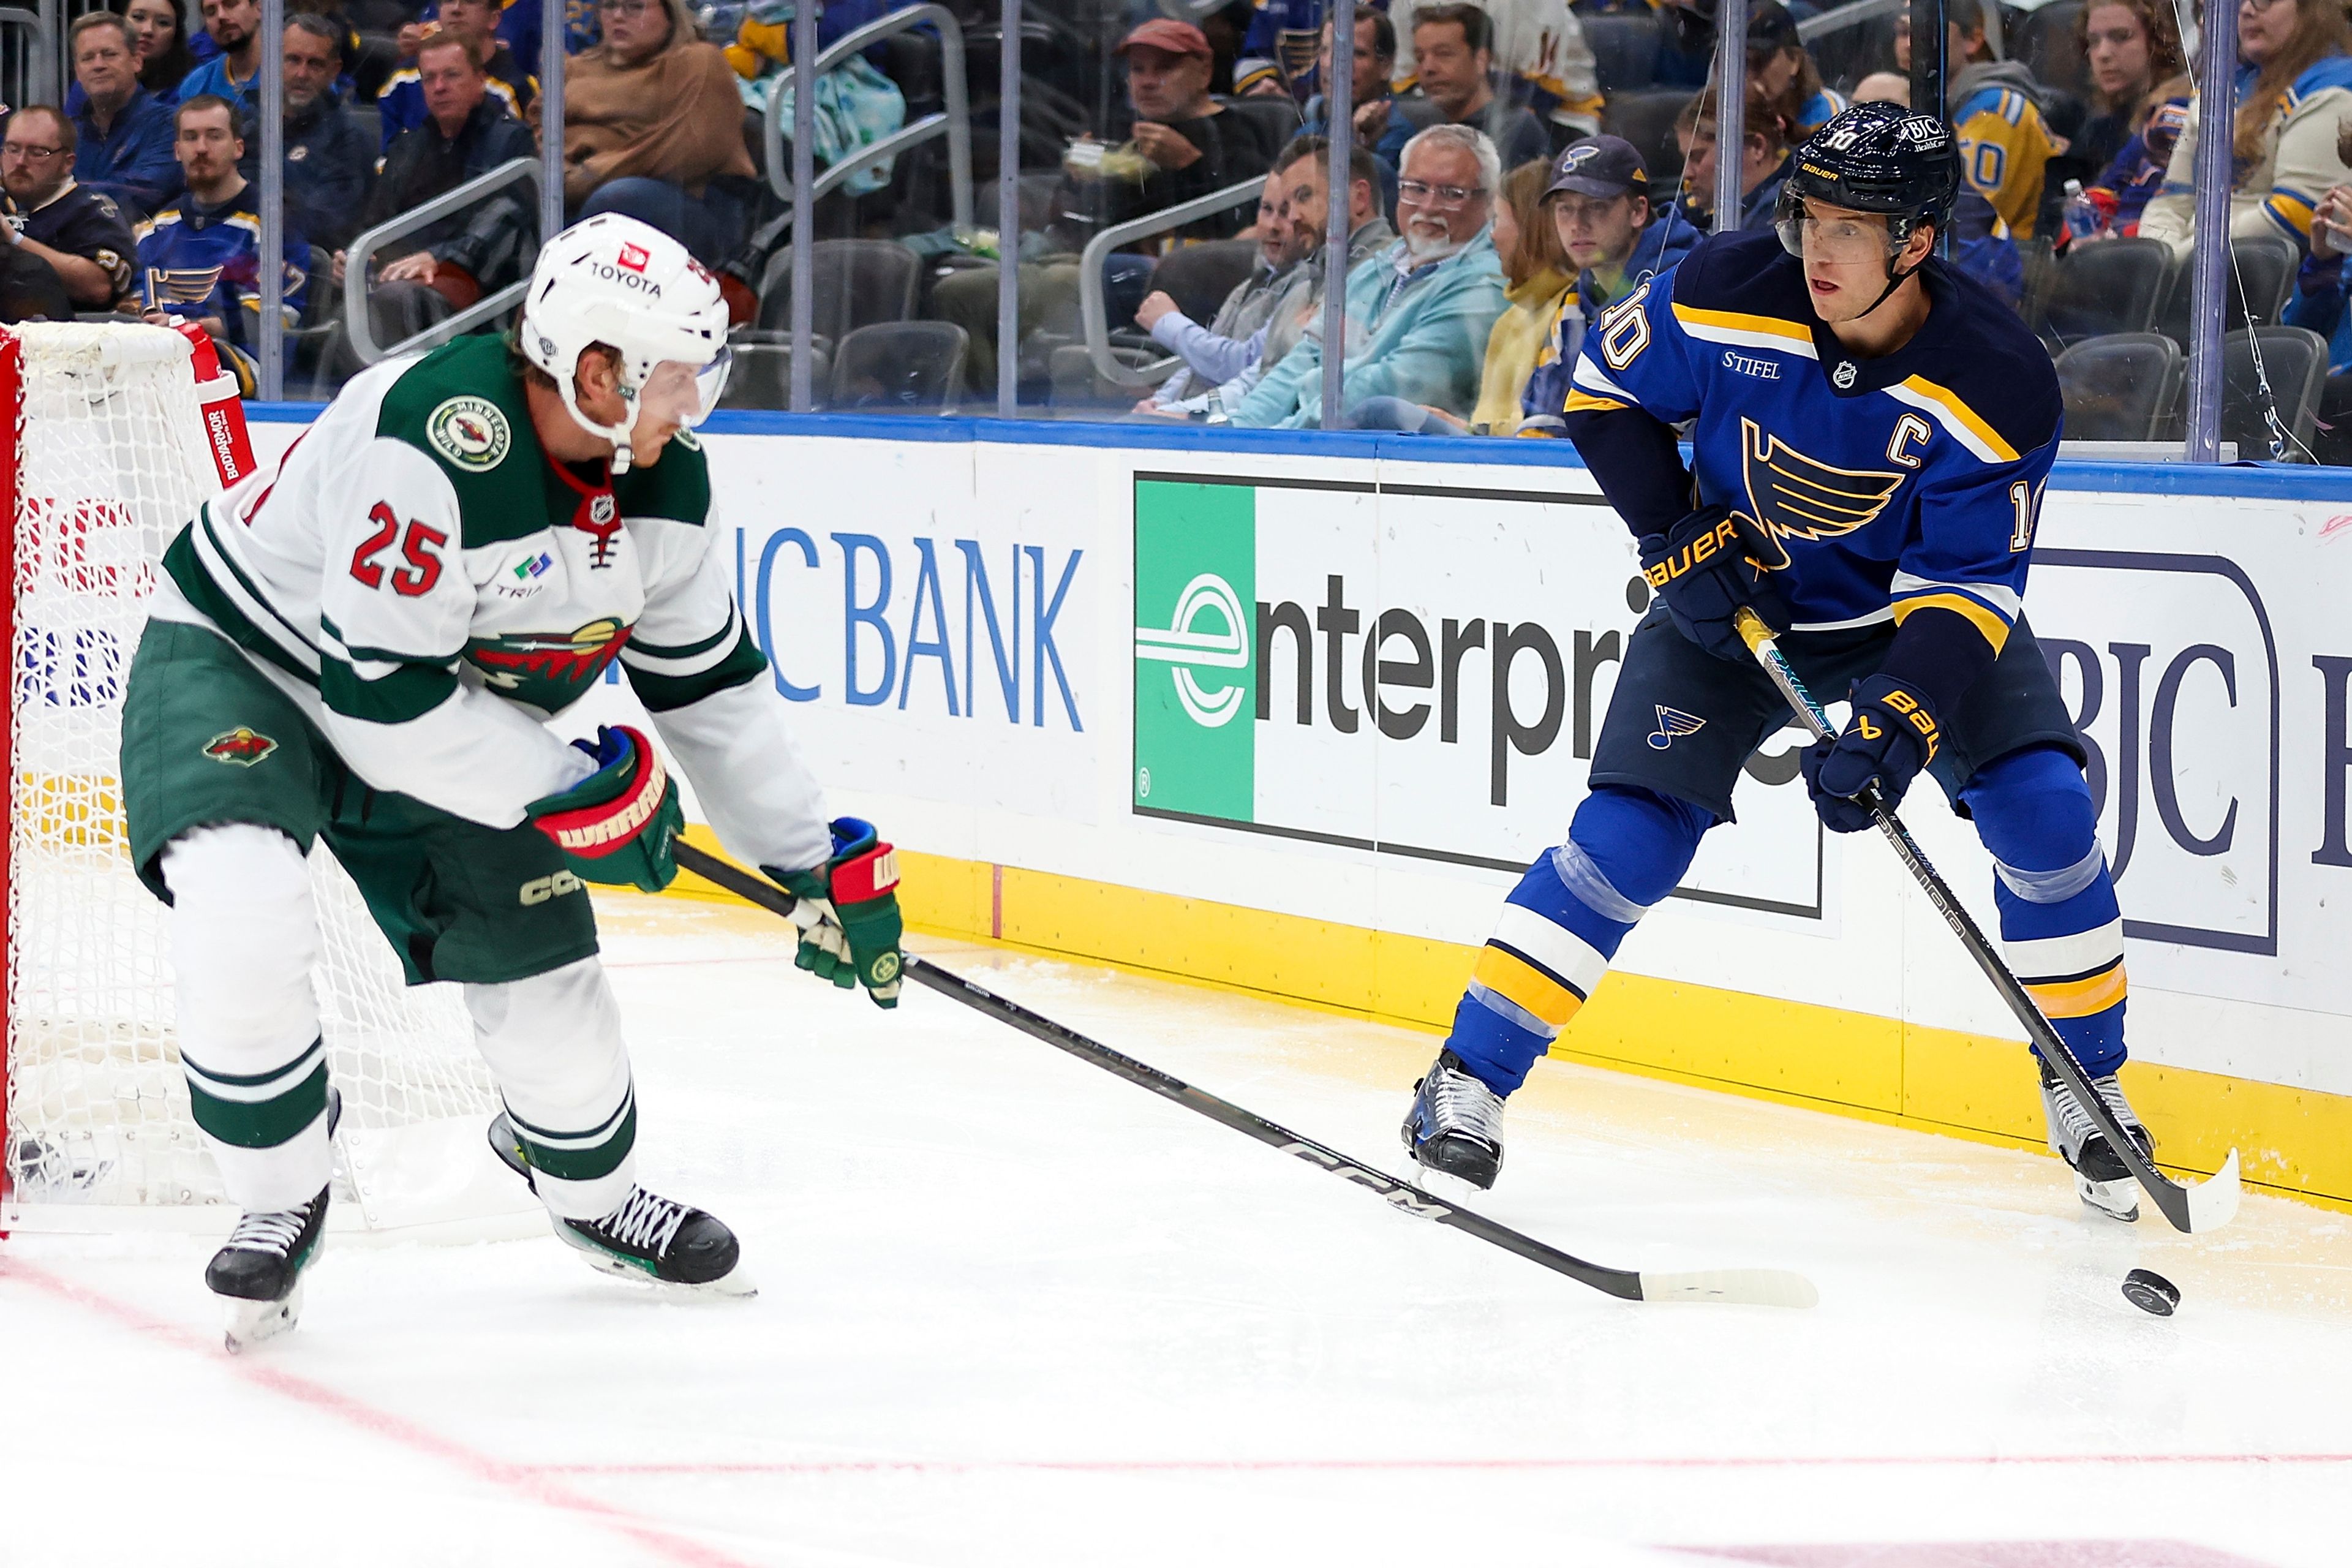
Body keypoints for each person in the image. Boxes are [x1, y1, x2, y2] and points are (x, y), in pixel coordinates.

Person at [116, 213, 903, 1342]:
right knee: (241, 910)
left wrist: (812, 857)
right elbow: (379, 700)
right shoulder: (433, 435)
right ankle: (280, 1189)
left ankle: (589, 1195)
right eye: (678, 376)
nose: (693, 405)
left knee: (559, 1021)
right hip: (248, 665)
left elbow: (706, 689)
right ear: (596, 370)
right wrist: (573, 792)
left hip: (453, 719)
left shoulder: (664, 483)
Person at [1402, 105, 2157, 1229]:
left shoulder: (1996, 377)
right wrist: (1673, 537)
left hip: (1904, 622)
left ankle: (2089, 1080)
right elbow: (1602, 404)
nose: (1817, 249)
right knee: (1626, 840)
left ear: (1917, 242)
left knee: (2044, 809)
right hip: (1733, 604)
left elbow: (1969, 588)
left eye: (1852, 228)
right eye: (1809, 215)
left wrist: (1898, 721)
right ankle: (1467, 1081)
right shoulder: (1722, 282)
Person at [929, 18, 1287, 399]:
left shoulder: (1237, 130)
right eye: (1138, 70)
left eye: (1165, 68)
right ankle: (995, 402)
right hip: (1092, 261)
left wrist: (1191, 163)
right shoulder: (1124, 130)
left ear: (1204, 71)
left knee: (1068, 279)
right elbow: (1082, 221)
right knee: (957, 290)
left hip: (1168, 274)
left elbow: (1252, 222)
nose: (1147, 81)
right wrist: (1081, 183)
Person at [1234, 123, 1507, 428]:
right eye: (1416, 189)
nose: (1429, 206)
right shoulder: (1378, 267)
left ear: (1488, 203)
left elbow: (1390, 388)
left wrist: (1280, 441)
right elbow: (1303, 360)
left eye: (1452, 194)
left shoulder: (1486, 285)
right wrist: (1239, 433)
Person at [320, 33, 537, 386]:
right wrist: (356, 257)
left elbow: (509, 217)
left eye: (451, 75)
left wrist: (439, 258)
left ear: (480, 80)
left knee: (388, 305)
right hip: (402, 284)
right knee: (333, 304)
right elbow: (376, 223)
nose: (439, 87)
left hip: (482, 296)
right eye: (429, 78)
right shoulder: (408, 148)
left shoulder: (511, 141)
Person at [1147, 132, 1397, 418]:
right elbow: (1254, 381)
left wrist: (1200, 420)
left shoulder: (1389, 276)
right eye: (1285, 205)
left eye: (1304, 197)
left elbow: (1313, 403)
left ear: (1359, 197)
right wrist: (1176, 412)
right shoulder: (1306, 288)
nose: (1291, 218)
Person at [1369, 153, 1572, 435]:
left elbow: (1543, 429)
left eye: (1498, 221)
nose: (1492, 236)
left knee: (1379, 413)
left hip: (1522, 468)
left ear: (1530, 229)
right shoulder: (1512, 318)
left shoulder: (1571, 312)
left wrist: (1469, 430)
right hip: (1487, 458)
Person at [1517, 135, 1699, 435]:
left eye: (1597, 207)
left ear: (1638, 211)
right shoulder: (1576, 303)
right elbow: (1543, 420)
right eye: (1565, 209)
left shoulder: (1685, 285)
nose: (1577, 224)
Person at [2140, 0, 2352, 255]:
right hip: (2196, 268)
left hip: (2269, 283)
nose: (2247, 10)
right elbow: (2172, 199)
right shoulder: (2220, 88)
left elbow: (2297, 213)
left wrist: (2184, 262)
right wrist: (2159, 257)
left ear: (2314, 9)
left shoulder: (2336, 86)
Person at [559, 0, 758, 266]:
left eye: (635, 7)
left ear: (669, 15)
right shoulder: (575, 69)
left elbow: (691, 148)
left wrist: (590, 175)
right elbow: (541, 129)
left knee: (617, 198)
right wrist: (560, 176)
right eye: (609, 6)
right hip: (579, 188)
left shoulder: (698, 61)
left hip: (690, 200)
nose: (618, 16)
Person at [133, 96, 309, 392]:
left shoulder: (274, 224)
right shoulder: (157, 228)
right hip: (156, 360)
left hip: (238, 366)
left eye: (214, 136)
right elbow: (134, 306)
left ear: (238, 147)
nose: (201, 148)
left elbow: (268, 324)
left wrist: (185, 329)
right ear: (177, 151)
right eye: (191, 138)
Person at [1134, 186, 1311, 408]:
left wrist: (1168, 322)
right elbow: (1195, 367)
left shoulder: (1308, 291)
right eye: (1267, 209)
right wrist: (1159, 400)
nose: (1272, 225)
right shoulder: (1247, 287)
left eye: (1286, 213)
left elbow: (1247, 366)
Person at [1903, 0, 2062, 239]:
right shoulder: (1938, 104)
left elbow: (1969, 220)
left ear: (1973, 40)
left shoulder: (1996, 109)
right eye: (1903, 32)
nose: (1909, 44)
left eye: (1927, 28)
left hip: (2010, 263)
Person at [1383, 0, 1604, 144]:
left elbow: (1556, 92)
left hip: (1547, 120)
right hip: (1442, 115)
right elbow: (1406, 78)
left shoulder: (1538, 6)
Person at [1374, 5, 1553, 177]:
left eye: (1444, 54)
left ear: (1481, 60)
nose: (1428, 68)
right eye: (1420, 57)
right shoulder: (1411, 124)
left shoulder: (1516, 129)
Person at [2, 105, 138, 310]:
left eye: (38, 152)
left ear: (68, 163)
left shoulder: (91, 209)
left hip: (63, 334)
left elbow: (98, 287)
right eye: (13, 149)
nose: (20, 162)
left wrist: (13, 238)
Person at [377, 0, 537, 153]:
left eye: (470, 1)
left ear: (494, 19)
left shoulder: (519, 88)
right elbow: (388, 160)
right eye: (448, 1)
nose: (456, 9)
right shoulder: (402, 80)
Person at [71, 12, 181, 219]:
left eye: (109, 54)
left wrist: (60, 201)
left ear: (137, 61)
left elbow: (138, 198)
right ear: (78, 72)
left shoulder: (169, 125)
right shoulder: (68, 134)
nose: (98, 65)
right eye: (88, 58)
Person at [279, 15, 374, 254]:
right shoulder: (246, 125)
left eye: (315, 64)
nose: (302, 74)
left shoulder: (348, 140)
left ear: (334, 70)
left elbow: (328, 226)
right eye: (293, 60)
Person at [2071, 0, 2187, 181]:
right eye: (2093, 41)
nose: (2103, 54)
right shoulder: (2096, 132)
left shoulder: (2173, 120)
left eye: (2121, 37)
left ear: (2156, 40)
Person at [1673, 81, 1792, 234]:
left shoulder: (1782, 221)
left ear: (1758, 147)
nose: (1687, 174)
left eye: (1697, 157)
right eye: (1685, 159)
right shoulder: (1694, 211)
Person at [1747, 1, 1846, 143]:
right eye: (1740, 64)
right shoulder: (1719, 114)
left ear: (1794, 60)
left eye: (1761, 61)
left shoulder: (1828, 114)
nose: (1749, 75)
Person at [178, 0, 265, 116]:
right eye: (211, 12)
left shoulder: (287, 71)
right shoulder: (196, 85)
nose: (221, 16)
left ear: (259, 8)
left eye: (231, 5)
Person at [127, 0, 198, 105]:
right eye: (138, 17)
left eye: (163, 23)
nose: (148, 30)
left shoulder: (193, 87)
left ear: (176, 34)